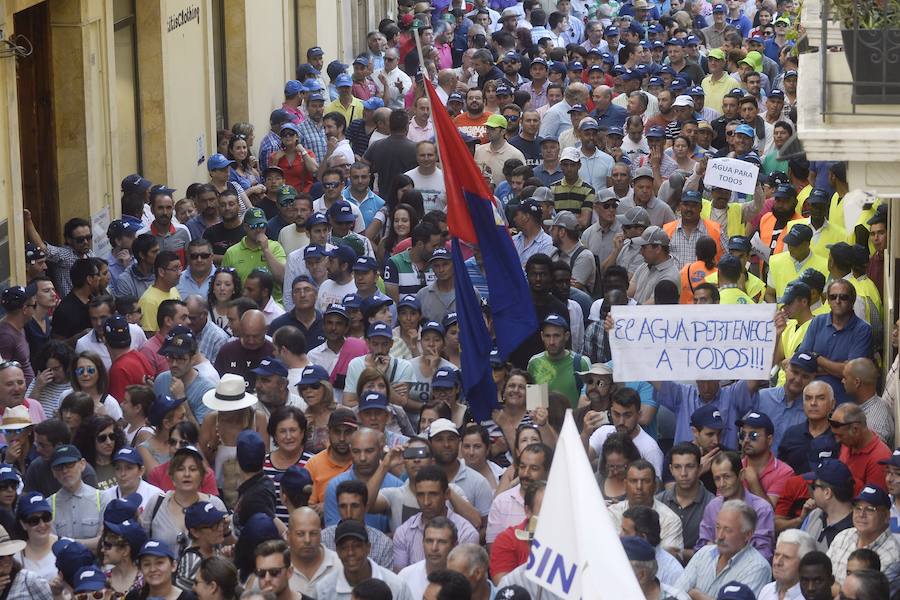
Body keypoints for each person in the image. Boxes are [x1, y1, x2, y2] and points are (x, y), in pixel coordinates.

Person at [676, 499, 773, 598]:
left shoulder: (757, 567)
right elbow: (676, 594)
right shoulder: (704, 553)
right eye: (718, 527)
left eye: (728, 530)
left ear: (747, 535)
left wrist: (696, 595)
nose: (720, 536)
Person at [698, 451, 776, 561]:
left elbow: (763, 554)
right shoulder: (712, 507)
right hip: (714, 568)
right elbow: (702, 546)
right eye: (717, 478)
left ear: (741, 475)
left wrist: (725, 552)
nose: (721, 484)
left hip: (750, 571)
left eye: (727, 477)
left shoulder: (761, 509)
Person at [607, 461, 685, 554]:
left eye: (646, 481)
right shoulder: (611, 513)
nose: (639, 487)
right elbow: (609, 551)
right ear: (625, 484)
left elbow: (670, 556)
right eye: (633, 481)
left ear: (655, 486)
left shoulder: (670, 520)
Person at [657, 443, 715, 561]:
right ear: (671, 470)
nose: (683, 473)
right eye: (677, 467)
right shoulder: (659, 501)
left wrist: (680, 553)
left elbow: (715, 552)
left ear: (699, 468)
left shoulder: (713, 505)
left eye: (689, 466)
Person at [48, 444, 102, 549]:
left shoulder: (102, 498)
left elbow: (103, 542)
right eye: (59, 467)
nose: (65, 471)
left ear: (82, 464)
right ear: (53, 472)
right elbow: (51, 544)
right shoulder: (48, 505)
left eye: (70, 464)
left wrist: (66, 543)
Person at [758, 529, 816, 600]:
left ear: (804, 563)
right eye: (776, 555)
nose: (777, 562)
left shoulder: (812, 597)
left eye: (786, 557)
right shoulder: (766, 590)